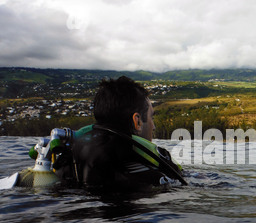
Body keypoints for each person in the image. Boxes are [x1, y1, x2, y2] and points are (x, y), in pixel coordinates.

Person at [55, 76, 184, 189]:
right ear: (137, 121)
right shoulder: (149, 173)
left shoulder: (67, 161)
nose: (154, 126)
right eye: (151, 117)